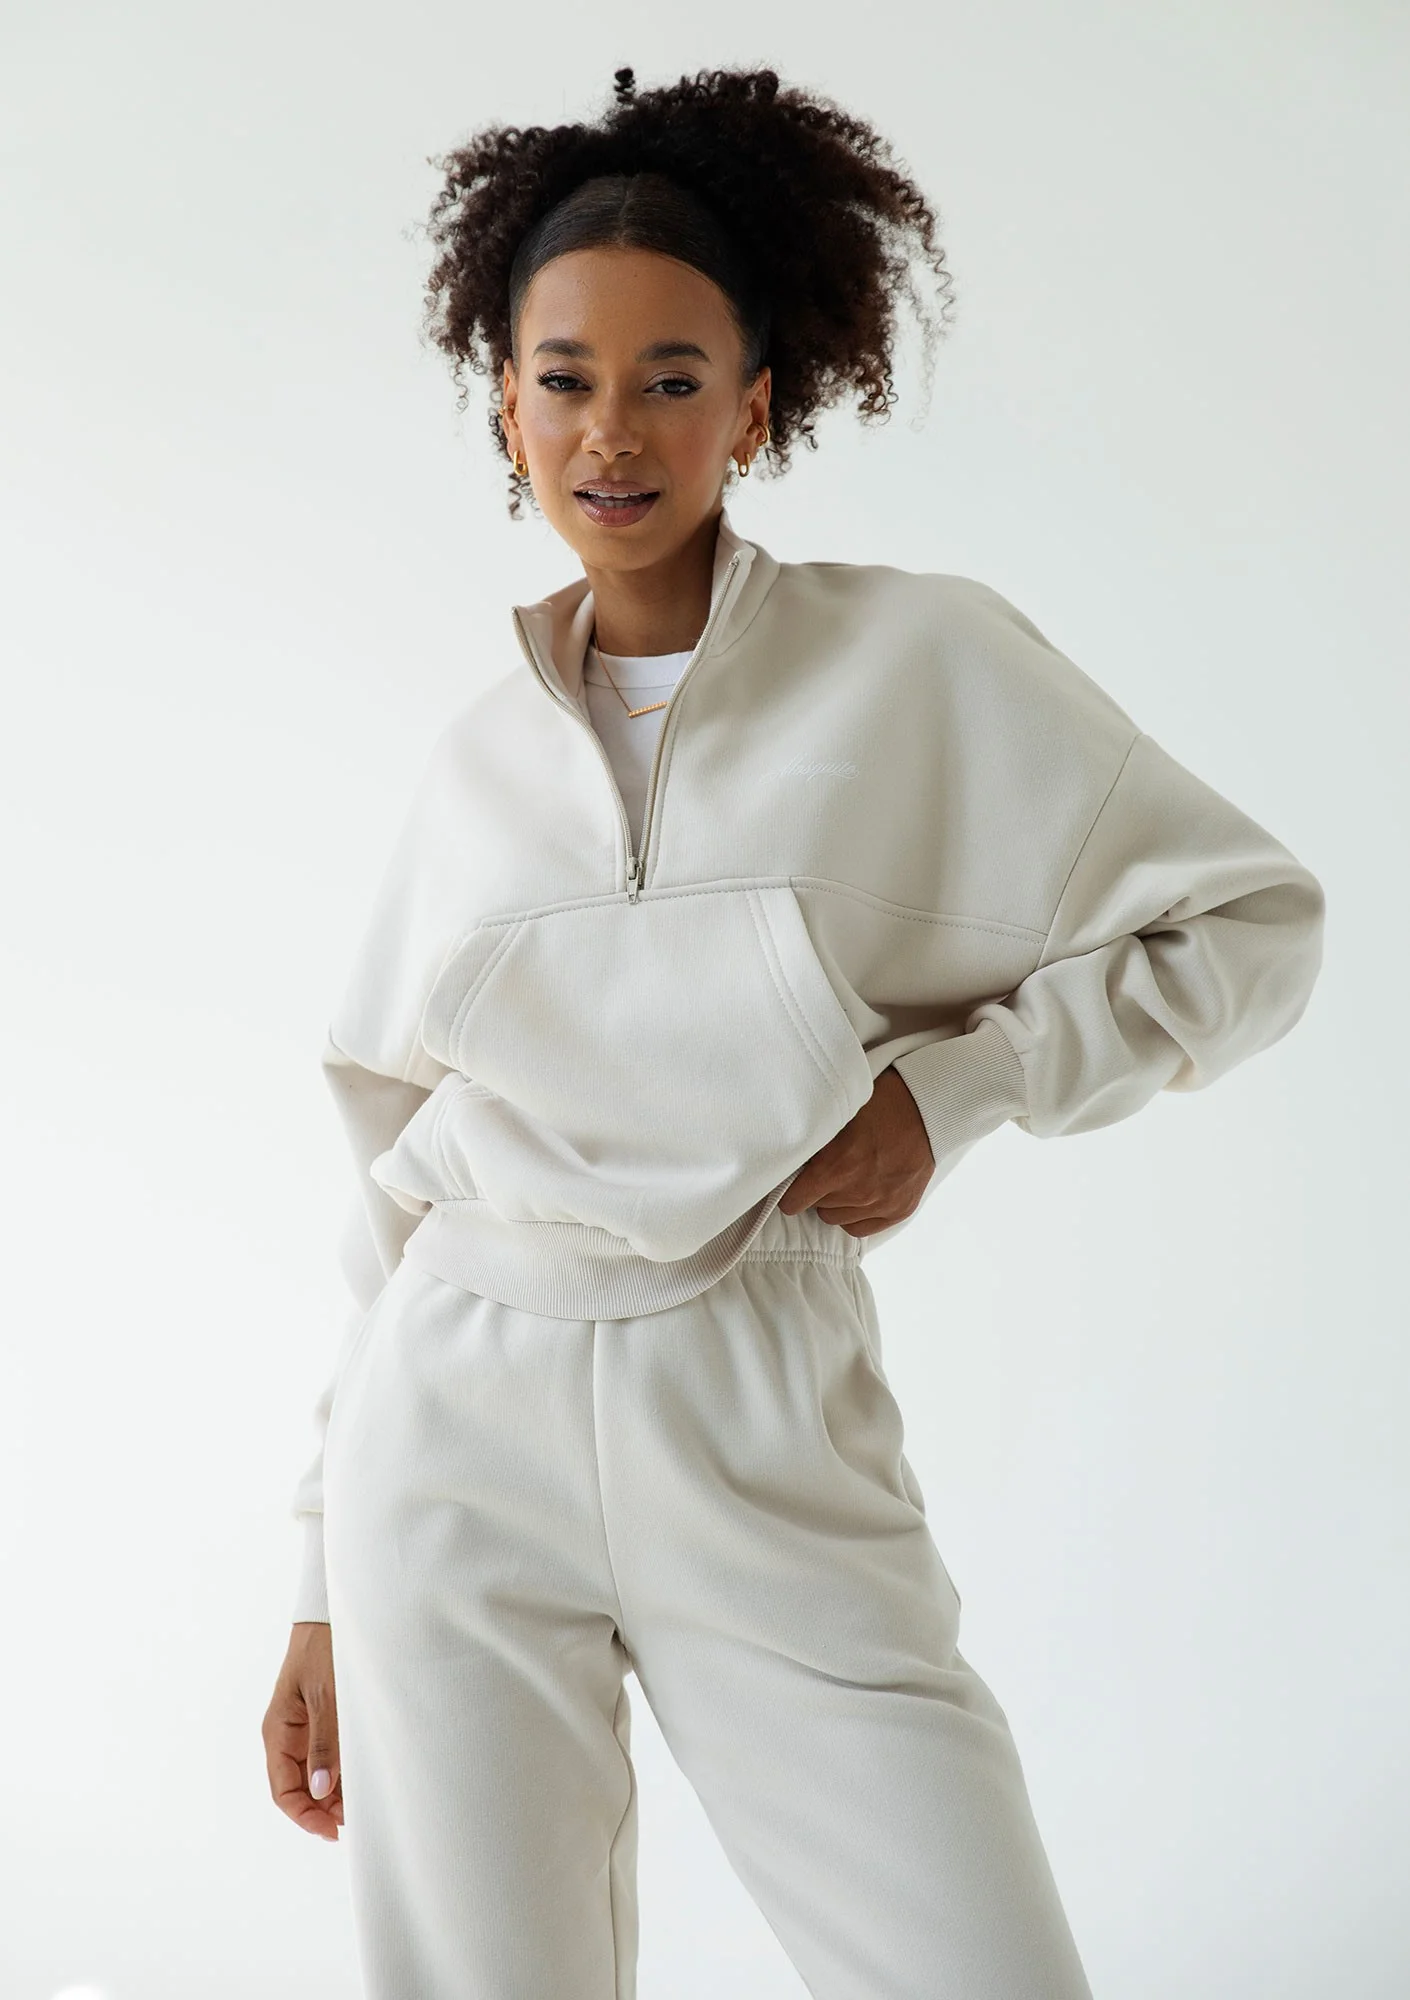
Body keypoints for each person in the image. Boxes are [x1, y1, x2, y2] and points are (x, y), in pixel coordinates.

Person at [260, 63, 1325, 2000]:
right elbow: (385, 1194)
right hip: (454, 1419)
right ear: (506, 406)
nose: (613, 427)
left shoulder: (917, 662)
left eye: (672, 377)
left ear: (754, 405)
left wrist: (962, 1087)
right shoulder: (474, 763)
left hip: (753, 1391)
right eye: (566, 377)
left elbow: (1250, 923)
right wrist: (323, 1568)